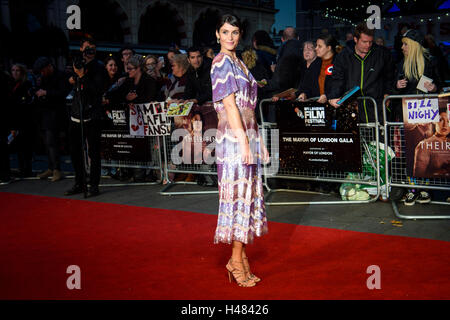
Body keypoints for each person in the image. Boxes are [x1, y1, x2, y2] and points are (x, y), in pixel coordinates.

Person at [211, 14, 269, 287]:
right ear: (217, 35)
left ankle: (241, 257)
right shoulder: (221, 62)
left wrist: (260, 142)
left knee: (247, 196)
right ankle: (235, 260)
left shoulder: (239, 63)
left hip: (246, 134)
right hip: (234, 139)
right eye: (225, 32)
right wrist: (245, 143)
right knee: (238, 198)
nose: (230, 37)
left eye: (234, 32)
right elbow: (231, 106)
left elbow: (249, 108)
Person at [394, 30, 442, 206]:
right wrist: (397, 85)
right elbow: (392, 86)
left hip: (426, 115)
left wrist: (434, 86)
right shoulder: (401, 64)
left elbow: (440, 82)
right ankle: (412, 189)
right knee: (408, 153)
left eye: (405, 44)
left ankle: (424, 189)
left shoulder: (430, 62)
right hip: (406, 116)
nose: (402, 47)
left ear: (414, 45)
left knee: (425, 152)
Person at [328, 22, 395, 124]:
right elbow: (337, 79)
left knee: (379, 139)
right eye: (364, 42)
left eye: (370, 42)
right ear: (355, 39)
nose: (368, 45)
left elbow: (390, 76)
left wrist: (388, 92)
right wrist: (334, 96)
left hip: (378, 109)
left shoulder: (382, 54)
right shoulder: (343, 56)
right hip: (353, 109)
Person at [64, 52, 107, 198]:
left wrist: (82, 76)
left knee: (93, 152)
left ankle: (94, 185)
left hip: (91, 117)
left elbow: (96, 91)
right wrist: (75, 76)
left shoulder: (98, 69)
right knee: (75, 152)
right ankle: (79, 182)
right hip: (76, 116)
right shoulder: (76, 69)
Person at [32, 57, 70, 182]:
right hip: (43, 113)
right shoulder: (42, 77)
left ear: (49, 66)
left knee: (52, 142)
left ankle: (57, 170)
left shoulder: (61, 75)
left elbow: (63, 92)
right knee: (46, 142)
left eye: (43, 70)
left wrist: (46, 92)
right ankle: (50, 167)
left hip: (55, 114)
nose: (42, 73)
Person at [9, 63, 34, 178]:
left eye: (17, 70)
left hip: (24, 120)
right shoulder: (11, 84)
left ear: (22, 72)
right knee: (19, 146)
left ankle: (26, 170)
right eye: (13, 70)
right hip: (15, 118)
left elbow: (27, 103)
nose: (14, 72)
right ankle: (22, 169)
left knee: (26, 146)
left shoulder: (26, 84)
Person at [297, 34, 338, 104]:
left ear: (328, 48)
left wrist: (327, 96)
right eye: (316, 46)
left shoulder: (339, 63)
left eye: (320, 46)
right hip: (318, 105)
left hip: (335, 104)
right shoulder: (315, 65)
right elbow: (308, 85)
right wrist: (305, 94)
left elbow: (340, 85)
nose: (316, 49)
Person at [413, 111, 450, 179]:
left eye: (448, 121)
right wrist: (441, 172)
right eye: (441, 120)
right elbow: (418, 175)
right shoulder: (423, 145)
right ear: (434, 121)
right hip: (434, 185)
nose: (445, 125)